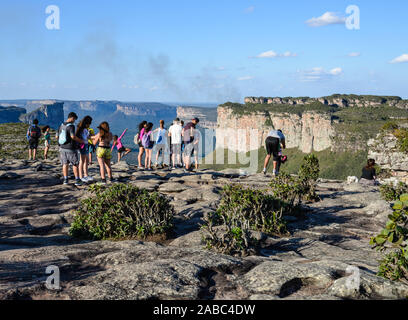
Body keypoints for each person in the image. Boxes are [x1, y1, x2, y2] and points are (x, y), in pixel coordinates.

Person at [56, 112, 85, 186]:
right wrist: (81, 141)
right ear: (72, 118)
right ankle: (77, 180)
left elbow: (57, 136)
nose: (74, 121)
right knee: (75, 164)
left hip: (62, 148)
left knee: (65, 164)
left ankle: (65, 180)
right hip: (71, 148)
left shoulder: (61, 125)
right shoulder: (71, 126)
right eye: (74, 119)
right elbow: (73, 136)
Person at [76, 116, 93, 183]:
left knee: (86, 161)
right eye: (89, 124)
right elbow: (85, 138)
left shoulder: (84, 129)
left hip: (85, 145)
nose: (89, 125)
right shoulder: (82, 129)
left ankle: (86, 175)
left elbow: (87, 137)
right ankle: (81, 176)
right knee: (82, 161)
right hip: (83, 146)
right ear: (86, 123)